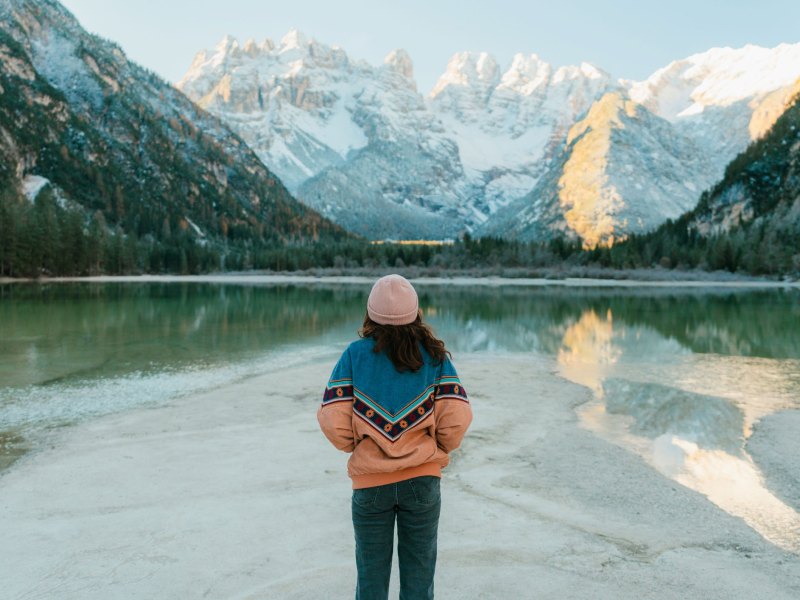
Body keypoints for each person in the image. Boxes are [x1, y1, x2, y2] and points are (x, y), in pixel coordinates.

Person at [317, 274, 473, 600]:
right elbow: (456, 418)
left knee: (370, 584)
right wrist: (436, 446)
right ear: (416, 313)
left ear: (370, 314)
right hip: (423, 482)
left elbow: (333, 418)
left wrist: (358, 445)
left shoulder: (354, 356)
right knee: (419, 584)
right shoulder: (435, 357)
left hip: (371, 484)